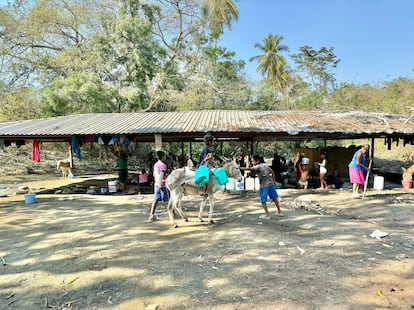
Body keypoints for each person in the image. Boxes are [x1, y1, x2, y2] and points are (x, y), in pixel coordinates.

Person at [240, 154, 283, 219]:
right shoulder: (266, 165)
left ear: (257, 161)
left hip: (264, 185)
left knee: (263, 200)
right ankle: (279, 211)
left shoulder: (258, 166)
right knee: (275, 198)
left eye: (253, 161)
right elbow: (272, 172)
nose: (252, 162)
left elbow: (249, 168)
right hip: (271, 184)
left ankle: (267, 214)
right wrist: (274, 181)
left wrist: (240, 168)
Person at [148, 150, 169, 222]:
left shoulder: (156, 164)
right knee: (168, 200)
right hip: (162, 184)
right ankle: (173, 213)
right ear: (163, 157)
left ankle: (151, 214)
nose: (166, 157)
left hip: (156, 184)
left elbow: (155, 174)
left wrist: (158, 183)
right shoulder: (163, 165)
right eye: (165, 156)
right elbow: (162, 175)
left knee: (156, 200)